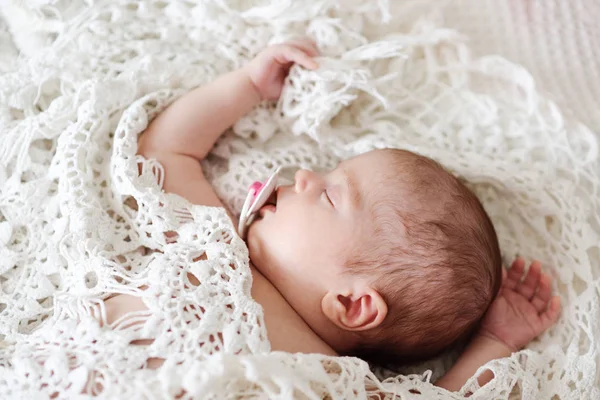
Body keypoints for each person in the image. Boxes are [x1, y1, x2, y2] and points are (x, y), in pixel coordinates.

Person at [104, 39, 560, 392]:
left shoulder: (334, 380)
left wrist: (496, 341)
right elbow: (165, 151)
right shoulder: (217, 246)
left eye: (329, 196)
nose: (304, 176)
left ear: (352, 303)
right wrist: (249, 85)